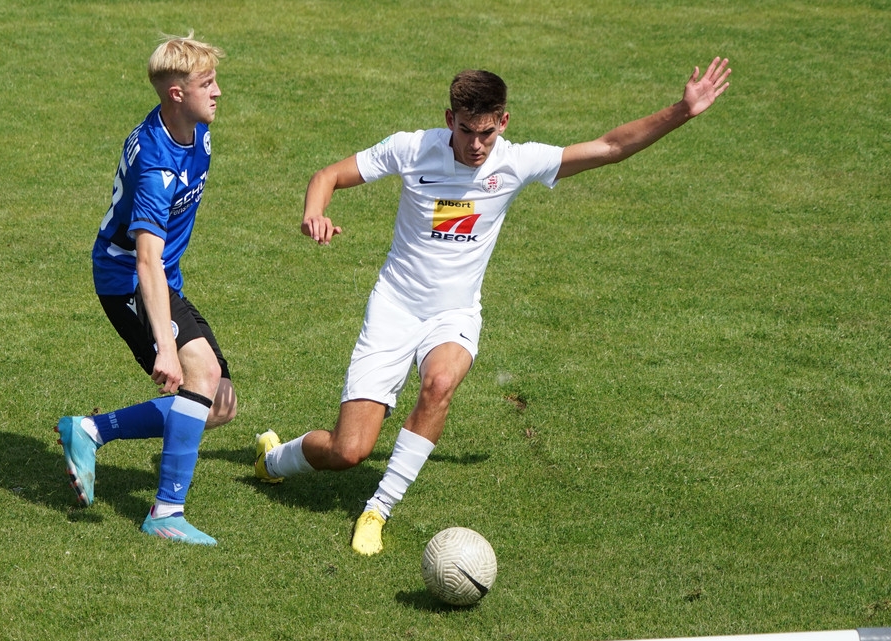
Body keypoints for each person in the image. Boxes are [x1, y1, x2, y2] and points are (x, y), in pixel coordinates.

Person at [256, 58, 731, 555]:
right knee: (349, 451)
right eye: (466, 131)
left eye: (487, 132)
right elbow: (328, 174)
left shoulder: (516, 162)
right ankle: (274, 459)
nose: (476, 145)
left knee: (439, 384)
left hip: (454, 314)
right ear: (449, 120)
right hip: (394, 308)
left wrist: (682, 111)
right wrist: (314, 213)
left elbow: (610, 147)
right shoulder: (411, 149)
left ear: (503, 122)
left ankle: (378, 508)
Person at [56, 33, 235, 546]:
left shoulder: (193, 127)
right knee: (201, 375)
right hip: (128, 279)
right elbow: (146, 259)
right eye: (206, 83)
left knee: (219, 404)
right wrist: (166, 348)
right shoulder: (157, 166)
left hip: (160, 276)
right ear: (177, 94)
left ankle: (90, 431)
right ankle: (165, 513)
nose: (218, 91)